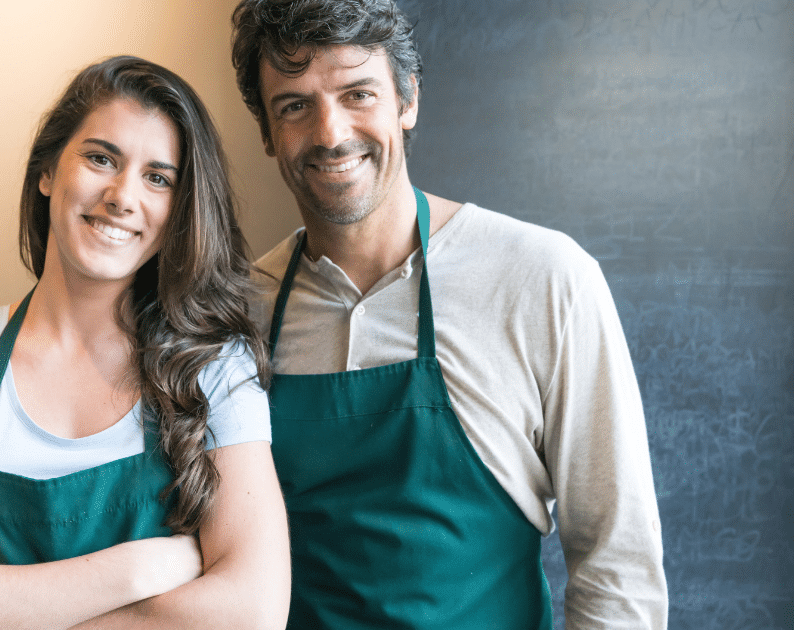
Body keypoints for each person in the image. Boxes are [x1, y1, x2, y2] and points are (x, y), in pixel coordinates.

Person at [230, 0, 668, 628]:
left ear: (407, 100)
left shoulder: (543, 279)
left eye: (358, 94)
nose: (330, 133)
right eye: (294, 105)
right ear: (268, 134)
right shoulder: (242, 310)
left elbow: (617, 567)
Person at [0, 55, 290, 630]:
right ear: (46, 171)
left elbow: (252, 613)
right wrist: (134, 571)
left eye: (158, 177)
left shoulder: (215, 368)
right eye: (100, 158)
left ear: (178, 211)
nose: (122, 195)